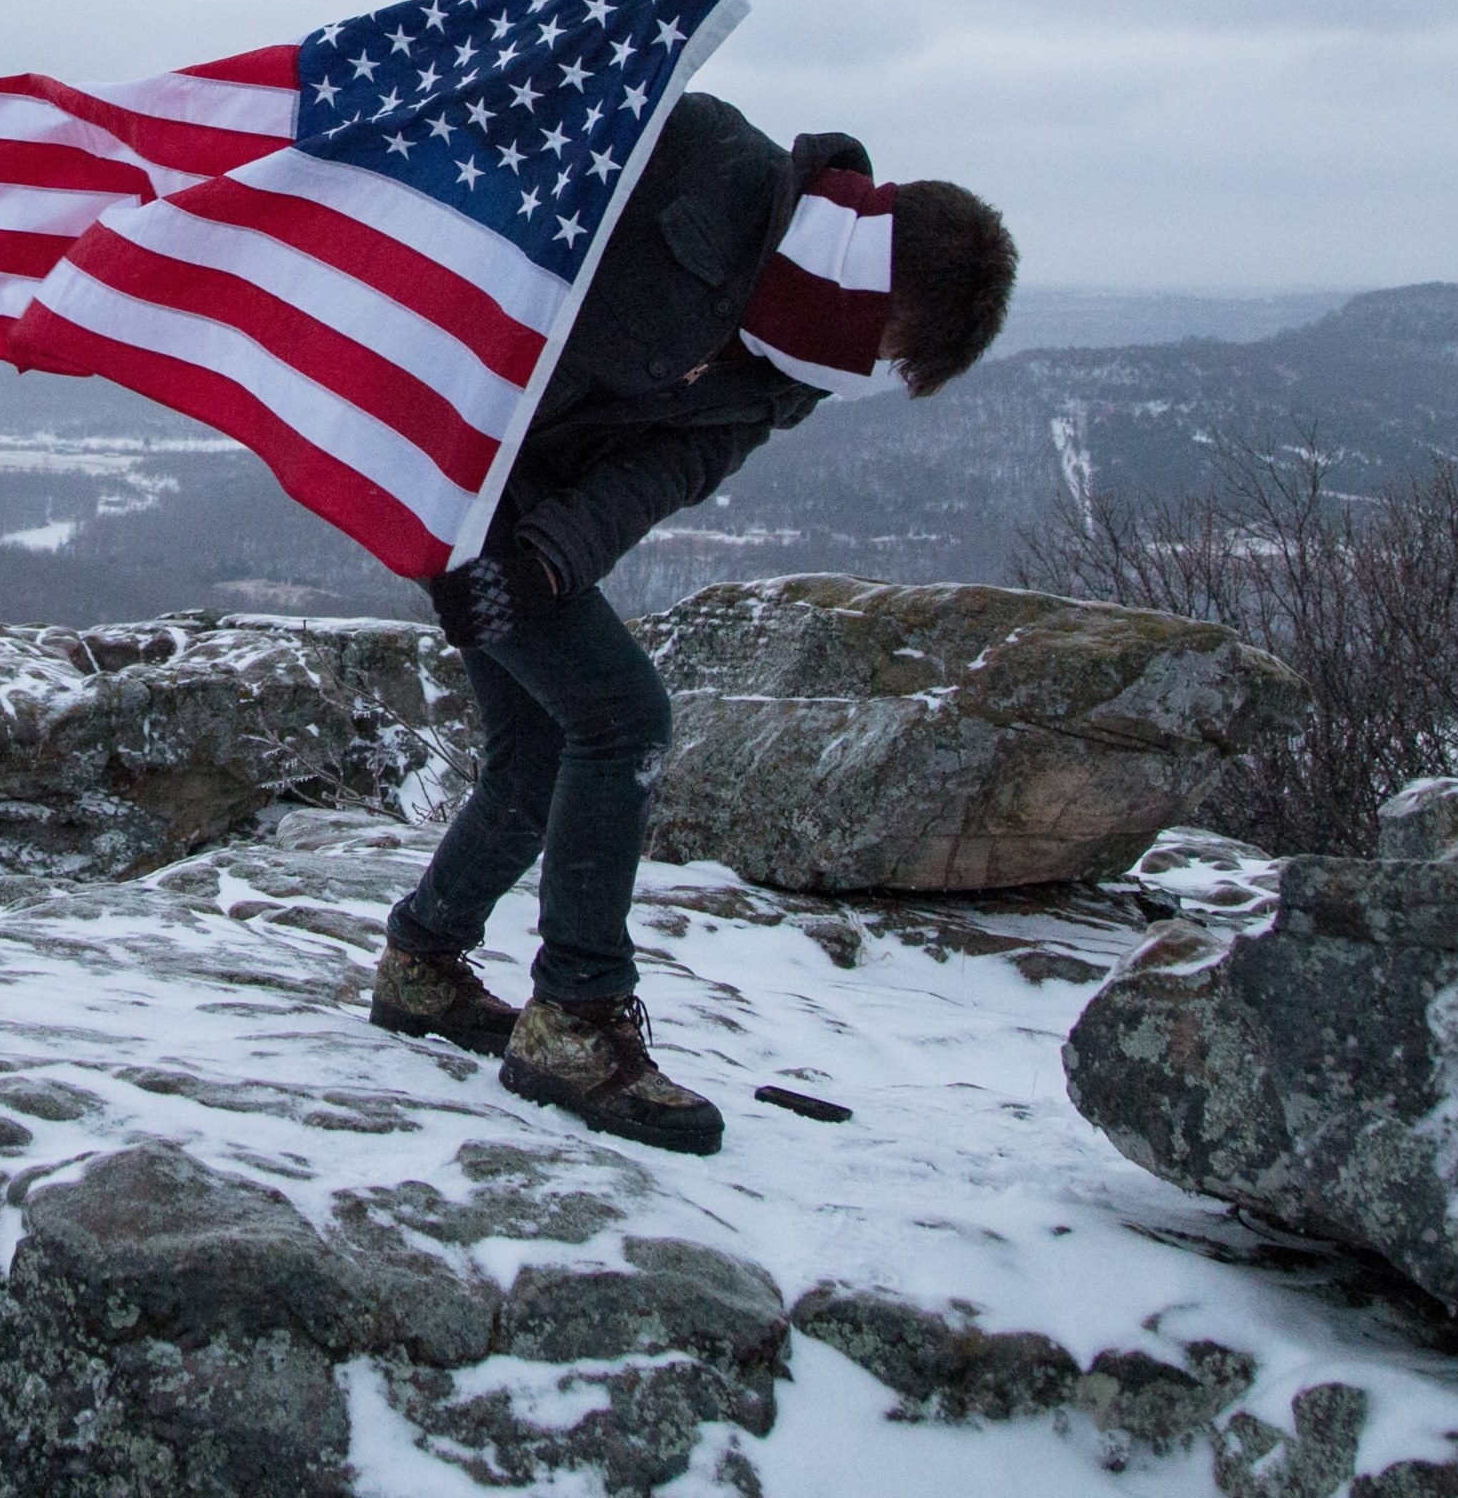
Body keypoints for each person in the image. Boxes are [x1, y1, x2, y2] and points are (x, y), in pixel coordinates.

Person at [364, 92, 1016, 1153]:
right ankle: (574, 1018)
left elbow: (665, 469)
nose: (869, 369)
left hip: (516, 510)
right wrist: (462, 516)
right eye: (893, 341)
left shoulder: (790, 367)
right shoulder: (706, 167)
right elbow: (519, 202)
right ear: (880, 277)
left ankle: (423, 965)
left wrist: (540, 567)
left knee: (537, 753)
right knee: (623, 721)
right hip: (448, 442)